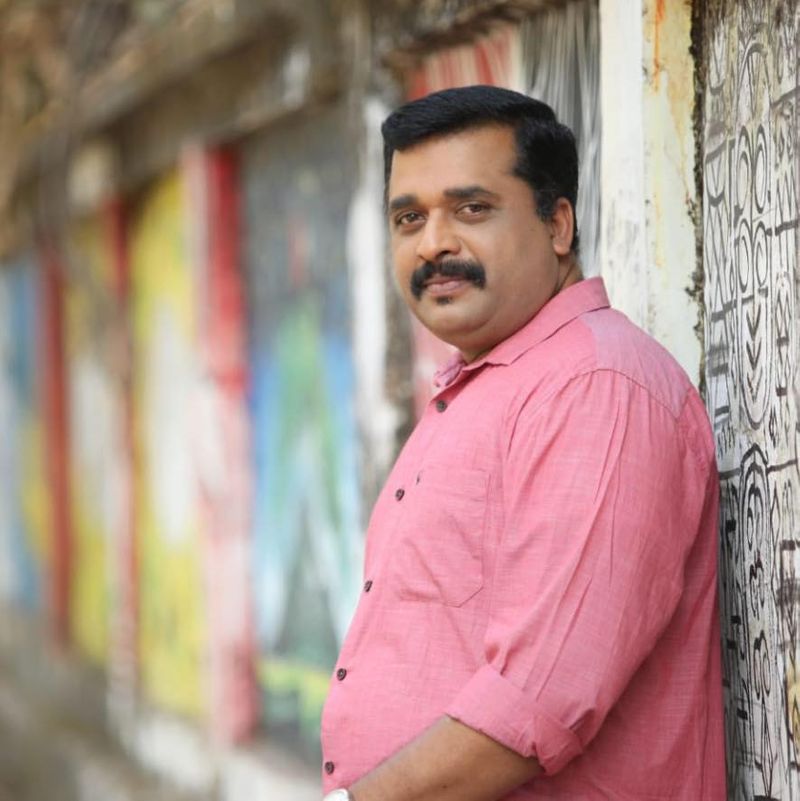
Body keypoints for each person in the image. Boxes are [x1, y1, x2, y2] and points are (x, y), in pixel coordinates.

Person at [320, 85, 725, 801]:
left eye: (471, 208)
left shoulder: (597, 388)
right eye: (409, 218)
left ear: (557, 224)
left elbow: (535, 701)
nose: (433, 243)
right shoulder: (489, 385)